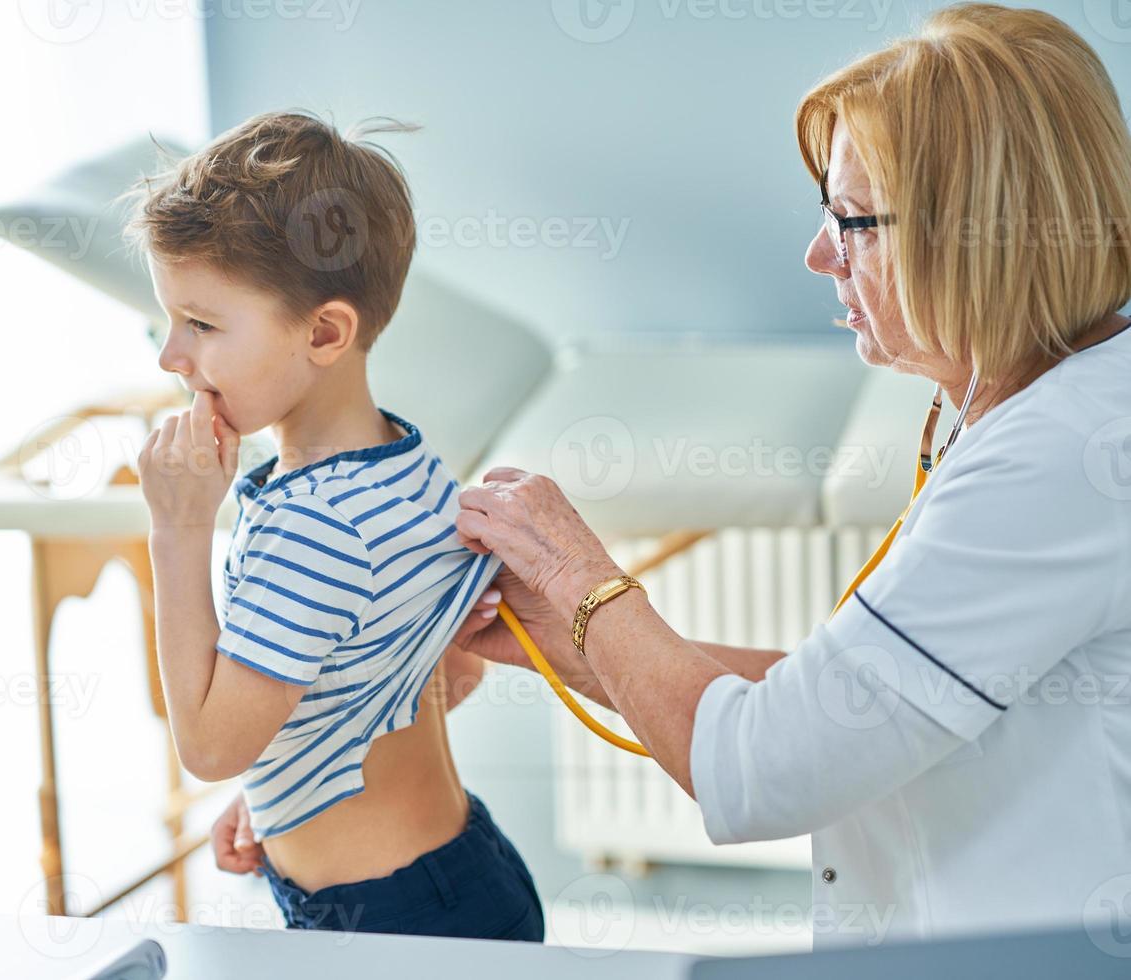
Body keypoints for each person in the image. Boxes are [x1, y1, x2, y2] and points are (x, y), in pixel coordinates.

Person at [450, 3, 1131, 948]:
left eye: (852, 221)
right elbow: (837, 706)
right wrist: (563, 643)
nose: (819, 255)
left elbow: (769, 767)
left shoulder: (1061, 462)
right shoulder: (1050, 412)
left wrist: (577, 575)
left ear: (976, 233)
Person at [129, 110, 544, 942]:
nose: (171, 357)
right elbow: (436, 675)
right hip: (458, 877)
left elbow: (210, 749)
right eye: (170, 320)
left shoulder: (311, 530)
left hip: (392, 925)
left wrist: (177, 533)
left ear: (325, 331)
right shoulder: (405, 464)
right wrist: (287, 779)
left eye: (202, 324)